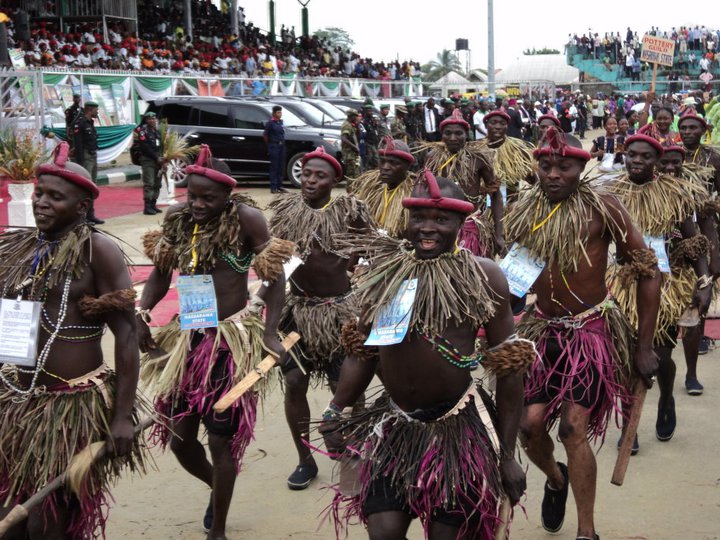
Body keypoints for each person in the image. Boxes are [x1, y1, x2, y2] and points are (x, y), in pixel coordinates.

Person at [320, 170, 533, 539]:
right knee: (384, 531)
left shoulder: (484, 275)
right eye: (418, 218)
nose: (427, 228)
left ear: (462, 223)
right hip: (397, 425)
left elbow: (509, 369)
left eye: (440, 220)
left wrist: (508, 455)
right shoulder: (385, 272)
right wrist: (335, 409)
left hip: (457, 427)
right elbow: (364, 352)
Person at [505, 128, 661, 540]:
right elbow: (511, 277)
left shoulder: (604, 206)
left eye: (565, 166)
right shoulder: (525, 209)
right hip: (542, 331)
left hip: (590, 332)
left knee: (574, 428)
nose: (554, 174)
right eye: (546, 166)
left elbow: (649, 272)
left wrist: (644, 347)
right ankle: (555, 480)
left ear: (582, 166)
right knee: (529, 426)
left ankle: (586, 531)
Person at [137, 145, 293, 540]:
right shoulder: (176, 218)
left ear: (227, 196)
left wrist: (271, 331)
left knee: (222, 440)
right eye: (193, 195)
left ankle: (218, 531)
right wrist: (142, 312)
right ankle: (216, 488)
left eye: (209, 198)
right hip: (187, 338)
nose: (199, 204)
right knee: (179, 438)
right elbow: (160, 273)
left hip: (230, 340)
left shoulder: (247, 218)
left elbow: (275, 278)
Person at [0, 142, 148, 539]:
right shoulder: (21, 248)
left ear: (82, 207)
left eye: (55, 197)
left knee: (49, 524)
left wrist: (121, 415)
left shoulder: (98, 250)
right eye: (39, 193)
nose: (42, 203)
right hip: (20, 401)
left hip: (73, 406)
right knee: (11, 522)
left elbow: (128, 333)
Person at [266, 147, 371, 491]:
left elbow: (373, 246)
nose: (310, 180)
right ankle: (305, 458)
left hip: (340, 311)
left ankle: (353, 446)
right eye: (306, 173)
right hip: (297, 312)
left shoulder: (349, 210)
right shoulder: (285, 211)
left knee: (349, 388)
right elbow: (276, 260)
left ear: (334, 181)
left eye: (319, 176)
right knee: (294, 382)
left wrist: (360, 265)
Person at [607, 134, 712, 441]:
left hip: (664, 286)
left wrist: (703, 283)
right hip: (622, 284)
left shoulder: (673, 194)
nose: (636, 161)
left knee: (661, 356)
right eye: (631, 155)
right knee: (626, 356)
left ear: (656, 162)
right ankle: (630, 419)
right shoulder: (610, 193)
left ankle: (666, 397)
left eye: (645, 157)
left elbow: (693, 241)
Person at [419, 109, 502, 257]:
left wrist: (499, 233)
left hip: (470, 227)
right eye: (448, 133)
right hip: (440, 229)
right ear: (442, 135)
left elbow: (496, 195)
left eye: (458, 133)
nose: (452, 138)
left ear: (466, 135)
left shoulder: (478, 158)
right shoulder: (432, 158)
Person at [679, 109, 720, 356]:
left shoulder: (712, 157)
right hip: (678, 226)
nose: (687, 132)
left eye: (693, 128)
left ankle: (700, 331)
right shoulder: (673, 156)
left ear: (704, 131)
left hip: (705, 225)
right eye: (683, 128)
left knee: (706, 278)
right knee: (683, 277)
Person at [351, 136, 416, 237]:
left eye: (394, 163)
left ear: (407, 166)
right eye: (382, 161)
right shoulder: (370, 190)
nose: (385, 168)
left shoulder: (415, 194)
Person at [477, 109, 536, 199]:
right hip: (481, 203)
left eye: (502, 123)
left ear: (507, 126)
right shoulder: (476, 149)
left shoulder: (517, 149)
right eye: (493, 123)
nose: (498, 127)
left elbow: (532, 178)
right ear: (485, 125)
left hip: (511, 203)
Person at [72, 101, 104, 224]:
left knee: (92, 186)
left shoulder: (89, 122)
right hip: (85, 157)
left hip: (92, 155)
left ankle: (90, 215)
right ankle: (82, 217)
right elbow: (77, 143)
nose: (97, 112)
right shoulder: (79, 123)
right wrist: (80, 163)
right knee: (85, 187)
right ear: (90, 109)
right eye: (96, 110)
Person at [137, 111, 165, 215]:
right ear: (146, 120)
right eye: (150, 119)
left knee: (157, 184)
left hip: (158, 160)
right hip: (148, 160)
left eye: (153, 118)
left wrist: (163, 159)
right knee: (149, 183)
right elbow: (145, 147)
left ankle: (153, 204)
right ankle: (147, 207)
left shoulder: (157, 131)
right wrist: (156, 157)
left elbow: (160, 146)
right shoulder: (142, 131)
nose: (152, 120)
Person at [263, 105, 288, 194]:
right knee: (274, 167)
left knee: (281, 167)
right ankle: (273, 187)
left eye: (280, 112)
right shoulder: (270, 123)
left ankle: (280, 186)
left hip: (282, 146)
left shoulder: (281, 122)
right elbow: (265, 136)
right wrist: (270, 145)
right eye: (278, 112)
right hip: (274, 146)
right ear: (274, 113)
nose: (280, 114)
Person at [341, 109, 361, 186]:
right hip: (349, 154)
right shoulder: (346, 125)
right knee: (351, 175)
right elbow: (344, 138)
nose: (356, 118)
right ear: (351, 116)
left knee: (355, 174)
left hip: (352, 154)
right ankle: (350, 191)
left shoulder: (351, 125)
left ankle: (353, 191)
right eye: (355, 116)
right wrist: (354, 147)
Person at [361, 104, 380, 170]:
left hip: (374, 142)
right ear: (365, 111)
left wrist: (375, 125)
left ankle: (372, 169)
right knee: (371, 158)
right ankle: (366, 170)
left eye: (371, 111)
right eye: (368, 111)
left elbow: (375, 130)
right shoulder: (364, 121)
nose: (370, 112)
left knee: (375, 158)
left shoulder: (372, 120)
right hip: (368, 142)